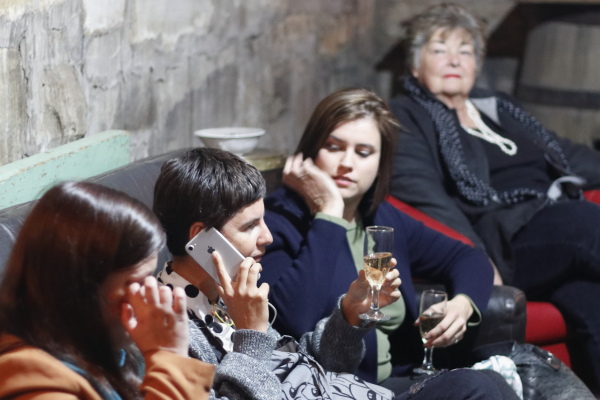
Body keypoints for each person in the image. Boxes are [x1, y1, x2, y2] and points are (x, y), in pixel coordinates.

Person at [152, 147, 517, 400]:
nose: (268, 237)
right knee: (477, 389)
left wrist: (348, 317)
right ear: (203, 239)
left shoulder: (225, 294)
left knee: (488, 382)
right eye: (250, 226)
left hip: (351, 391)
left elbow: (307, 370)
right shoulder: (170, 328)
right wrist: (253, 335)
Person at [387, 3, 600, 394]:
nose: (455, 59)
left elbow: (568, 154)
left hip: (557, 222)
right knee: (589, 225)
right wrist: (477, 258)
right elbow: (424, 194)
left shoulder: (499, 106)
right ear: (415, 66)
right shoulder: (407, 115)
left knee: (590, 300)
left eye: (465, 51)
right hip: (509, 235)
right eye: (439, 50)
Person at [259, 88, 519, 398]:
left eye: (363, 152)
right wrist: (329, 215)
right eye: (333, 147)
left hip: (393, 383)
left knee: (495, 380)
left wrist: (462, 306)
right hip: (327, 388)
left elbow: (468, 257)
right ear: (311, 150)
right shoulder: (275, 221)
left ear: (381, 162)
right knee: (478, 386)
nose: (346, 163)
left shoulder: (381, 217)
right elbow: (293, 321)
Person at [0, 181, 214, 400]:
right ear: (81, 288)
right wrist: (169, 356)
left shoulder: (114, 350)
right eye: (137, 282)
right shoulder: (30, 377)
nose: (152, 294)